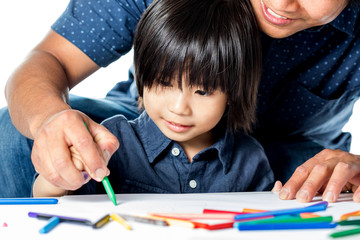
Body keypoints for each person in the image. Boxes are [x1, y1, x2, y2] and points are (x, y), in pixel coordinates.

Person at [1, 0, 360, 203]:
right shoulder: (146, 122)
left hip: (294, 159)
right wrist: (49, 122)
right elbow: (48, 60)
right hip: (144, 124)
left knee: (330, 193)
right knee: (19, 132)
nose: (282, 3)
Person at [32, 0, 274, 197]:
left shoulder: (250, 160)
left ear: (233, 93)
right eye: (164, 83)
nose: (179, 108)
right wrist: (60, 176)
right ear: (142, 76)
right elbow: (46, 199)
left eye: (203, 92)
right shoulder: (114, 142)